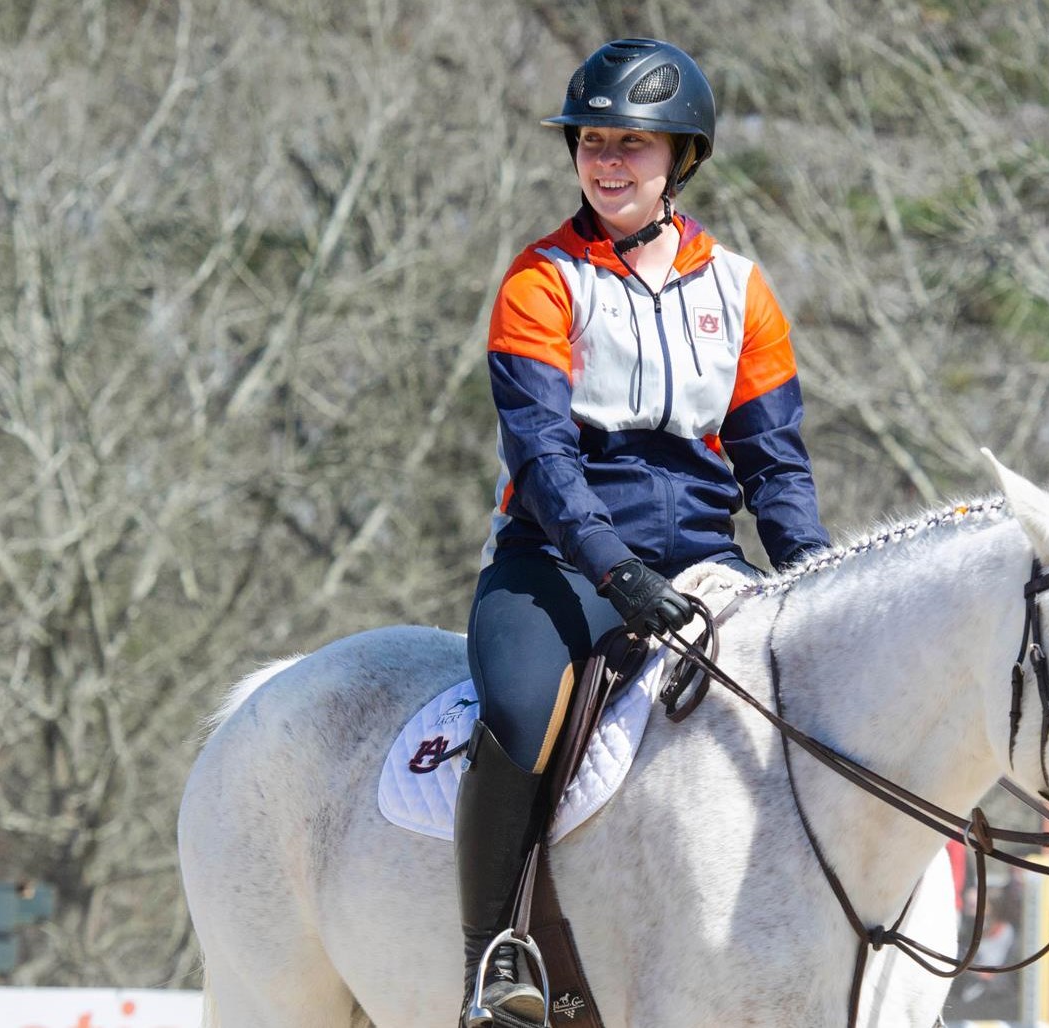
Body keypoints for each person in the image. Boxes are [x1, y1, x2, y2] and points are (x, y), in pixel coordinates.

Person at [454, 37, 831, 1026]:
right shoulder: (540, 280)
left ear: (681, 157)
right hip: (559, 559)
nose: (608, 161)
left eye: (632, 143)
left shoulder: (740, 289)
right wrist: (613, 569)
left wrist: (813, 574)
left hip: (706, 555)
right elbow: (543, 457)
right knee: (521, 710)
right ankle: (493, 951)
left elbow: (774, 463)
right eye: (593, 142)